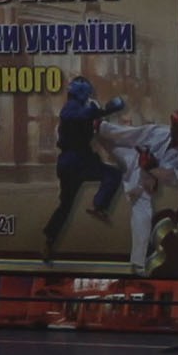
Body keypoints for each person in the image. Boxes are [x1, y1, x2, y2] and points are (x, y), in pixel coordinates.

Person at [97, 109, 178, 274]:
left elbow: (173, 178)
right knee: (105, 138)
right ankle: (94, 127)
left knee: (143, 216)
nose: (175, 129)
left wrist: (151, 167)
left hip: (146, 183)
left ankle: (138, 265)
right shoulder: (159, 131)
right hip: (130, 160)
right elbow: (129, 135)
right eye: (174, 125)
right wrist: (102, 127)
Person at [41, 75, 125, 262]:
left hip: (76, 161)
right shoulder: (72, 108)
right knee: (112, 175)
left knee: (65, 205)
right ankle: (99, 205)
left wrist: (101, 112)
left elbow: (89, 121)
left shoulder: (83, 107)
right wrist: (100, 111)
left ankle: (49, 241)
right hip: (75, 161)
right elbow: (76, 116)